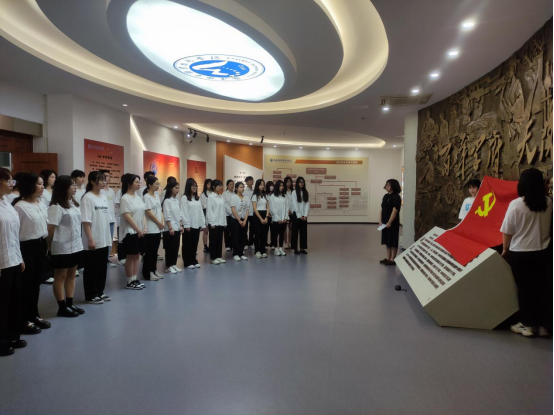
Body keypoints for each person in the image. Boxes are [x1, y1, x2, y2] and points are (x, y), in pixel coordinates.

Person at [501, 168, 552, 338]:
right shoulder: (548, 202)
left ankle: (528, 325)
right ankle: (543, 326)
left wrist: (505, 249)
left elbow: (507, 230)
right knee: (541, 288)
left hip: (520, 253)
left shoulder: (516, 204)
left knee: (524, 290)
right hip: (543, 252)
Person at [13, 173, 51, 334]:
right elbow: (15, 233)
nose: (43, 187)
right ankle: (23, 320)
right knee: (26, 285)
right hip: (26, 247)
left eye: (43, 184)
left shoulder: (41, 203)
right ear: (30, 186)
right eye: (39, 184)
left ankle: (34, 314)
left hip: (40, 245)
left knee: (36, 283)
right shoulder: (19, 206)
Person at [46, 175, 84, 318]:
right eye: (72, 185)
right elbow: (50, 230)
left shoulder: (73, 203)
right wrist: (48, 247)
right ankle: (61, 307)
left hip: (76, 245)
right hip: (62, 246)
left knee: (72, 275)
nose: (75, 187)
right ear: (63, 188)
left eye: (75, 184)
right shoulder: (56, 207)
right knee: (60, 276)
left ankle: (69, 303)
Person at [0, 168, 26, 356]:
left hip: (14, 259)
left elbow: (14, 234)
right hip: (2, 263)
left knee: (14, 300)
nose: (12, 184)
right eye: (8, 181)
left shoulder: (7, 203)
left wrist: (20, 257)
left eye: (12, 181)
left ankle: (12, 336)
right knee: (2, 303)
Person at [81, 171, 112, 305]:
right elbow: (86, 221)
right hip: (93, 238)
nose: (104, 182)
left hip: (104, 238)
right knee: (91, 268)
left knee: (102, 267)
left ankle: (100, 291)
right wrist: (90, 239)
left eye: (105, 179)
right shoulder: (87, 198)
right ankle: (90, 294)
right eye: (101, 180)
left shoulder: (104, 197)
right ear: (93, 182)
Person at [119, 174, 147, 290]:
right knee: (130, 256)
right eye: (136, 182)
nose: (139, 184)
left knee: (137, 255)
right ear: (129, 184)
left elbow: (143, 213)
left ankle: (135, 279)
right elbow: (127, 217)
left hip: (140, 231)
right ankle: (129, 281)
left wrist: (144, 227)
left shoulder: (138, 197)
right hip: (130, 232)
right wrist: (138, 230)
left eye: (139, 182)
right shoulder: (125, 198)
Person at [143, 176, 165, 281]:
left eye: (158, 184)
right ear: (149, 185)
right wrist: (159, 223)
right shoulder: (146, 197)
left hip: (158, 228)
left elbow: (160, 210)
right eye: (156, 184)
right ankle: (148, 272)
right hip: (151, 228)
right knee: (150, 252)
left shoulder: (156, 196)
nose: (158, 186)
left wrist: (162, 222)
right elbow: (149, 213)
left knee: (155, 251)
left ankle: (154, 270)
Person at [181, 179, 205, 269]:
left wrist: (203, 224)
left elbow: (201, 211)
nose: (195, 187)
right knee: (187, 244)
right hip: (189, 225)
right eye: (193, 186)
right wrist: (186, 225)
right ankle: (187, 262)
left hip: (196, 225)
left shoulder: (197, 198)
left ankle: (193, 260)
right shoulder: (184, 198)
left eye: (196, 186)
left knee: (195, 244)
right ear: (188, 187)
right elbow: (184, 212)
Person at [379, 179, 402, 265]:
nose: (386, 186)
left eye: (388, 184)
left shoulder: (396, 197)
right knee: (387, 240)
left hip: (392, 223)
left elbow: (395, 211)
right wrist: (380, 220)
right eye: (386, 184)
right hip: (385, 222)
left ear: (393, 186)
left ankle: (392, 259)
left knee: (393, 240)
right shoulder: (385, 196)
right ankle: (388, 258)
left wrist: (389, 222)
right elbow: (382, 209)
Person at [162, 180, 183, 274]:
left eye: (178, 188)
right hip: (170, 228)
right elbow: (167, 215)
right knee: (170, 248)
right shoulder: (167, 201)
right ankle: (169, 266)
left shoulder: (176, 201)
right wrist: (170, 228)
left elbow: (179, 214)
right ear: (171, 189)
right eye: (176, 188)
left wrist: (181, 225)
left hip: (177, 227)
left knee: (176, 247)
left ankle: (174, 264)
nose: (177, 190)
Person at [206, 180, 227, 265]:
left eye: (221, 186)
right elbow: (209, 210)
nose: (220, 187)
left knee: (219, 240)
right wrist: (211, 222)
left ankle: (219, 256)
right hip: (214, 222)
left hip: (220, 221)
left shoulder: (221, 197)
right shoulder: (211, 197)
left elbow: (223, 210)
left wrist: (224, 221)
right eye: (218, 186)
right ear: (214, 187)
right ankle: (212, 258)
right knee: (213, 240)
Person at [99, 170, 117, 268]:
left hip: (111, 219)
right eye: (105, 176)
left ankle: (107, 259)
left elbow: (113, 205)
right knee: (102, 240)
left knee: (109, 240)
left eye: (109, 176)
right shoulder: (100, 191)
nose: (107, 178)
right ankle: (101, 260)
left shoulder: (111, 191)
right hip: (102, 219)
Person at [230, 182, 250, 261]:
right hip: (235, 219)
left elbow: (247, 209)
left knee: (243, 236)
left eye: (243, 187)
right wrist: (239, 220)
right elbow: (233, 209)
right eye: (241, 187)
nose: (242, 188)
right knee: (235, 236)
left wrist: (245, 220)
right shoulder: (233, 197)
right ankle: (235, 253)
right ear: (236, 188)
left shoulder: (246, 198)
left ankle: (241, 253)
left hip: (244, 219)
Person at [269, 180, 288, 256]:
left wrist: (285, 217)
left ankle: (280, 248)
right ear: (277, 187)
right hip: (276, 219)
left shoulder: (285, 196)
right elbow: (272, 208)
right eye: (280, 186)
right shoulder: (273, 196)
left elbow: (287, 207)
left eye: (282, 186)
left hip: (283, 219)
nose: (282, 187)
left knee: (282, 234)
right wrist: (278, 218)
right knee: (275, 234)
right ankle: (275, 249)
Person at [251, 179, 269, 259]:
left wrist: (266, 217)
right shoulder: (255, 196)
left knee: (264, 234)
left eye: (263, 185)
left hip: (265, 214)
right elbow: (255, 208)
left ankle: (263, 250)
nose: (262, 186)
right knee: (257, 234)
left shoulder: (265, 195)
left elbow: (268, 207)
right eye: (261, 185)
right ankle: (257, 251)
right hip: (257, 215)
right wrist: (261, 219)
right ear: (257, 185)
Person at [291, 176, 310, 255]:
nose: (302, 183)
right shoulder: (294, 192)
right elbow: (295, 205)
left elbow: (307, 204)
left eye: (303, 182)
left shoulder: (306, 192)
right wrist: (299, 215)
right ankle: (295, 248)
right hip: (296, 215)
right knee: (295, 232)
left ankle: (302, 248)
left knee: (303, 232)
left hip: (303, 215)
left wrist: (305, 215)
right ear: (297, 183)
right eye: (300, 182)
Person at [115, 173, 128, 266]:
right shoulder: (120, 192)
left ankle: (127, 256)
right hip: (121, 219)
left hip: (130, 220)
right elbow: (119, 205)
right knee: (121, 239)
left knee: (128, 239)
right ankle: (121, 257)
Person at [199, 179, 212, 253]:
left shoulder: (213, 193)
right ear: (205, 185)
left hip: (213, 214)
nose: (209, 185)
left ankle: (212, 245)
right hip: (205, 213)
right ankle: (205, 246)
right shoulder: (203, 194)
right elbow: (203, 205)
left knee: (212, 231)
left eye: (210, 184)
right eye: (208, 184)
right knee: (206, 231)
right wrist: (210, 206)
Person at [223, 180, 235, 253]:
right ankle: (227, 245)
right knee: (227, 230)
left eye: (233, 184)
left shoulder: (235, 193)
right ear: (227, 185)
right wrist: (231, 212)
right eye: (230, 184)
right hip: (227, 214)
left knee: (233, 230)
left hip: (235, 215)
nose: (232, 186)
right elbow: (225, 205)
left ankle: (233, 244)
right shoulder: (224, 194)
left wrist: (234, 213)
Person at [244, 176, 255, 250]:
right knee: (245, 229)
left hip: (253, 212)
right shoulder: (244, 191)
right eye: (250, 180)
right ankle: (245, 243)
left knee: (252, 229)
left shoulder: (254, 191)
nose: (252, 181)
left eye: (252, 180)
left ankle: (251, 243)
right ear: (247, 182)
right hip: (246, 212)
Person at [284, 177, 294, 249]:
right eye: (287, 181)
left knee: (291, 227)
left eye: (290, 181)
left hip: (292, 212)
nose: (289, 183)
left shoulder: (293, 191)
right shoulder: (283, 192)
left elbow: (295, 202)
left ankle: (290, 242)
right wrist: (287, 210)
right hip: (285, 211)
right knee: (284, 228)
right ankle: (285, 242)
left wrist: (292, 210)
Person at [265, 181, 275, 250]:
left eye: (272, 185)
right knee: (265, 230)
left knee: (273, 230)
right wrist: (267, 213)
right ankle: (265, 243)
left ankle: (273, 244)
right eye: (270, 186)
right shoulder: (265, 194)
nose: (271, 187)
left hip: (273, 215)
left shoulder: (275, 194)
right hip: (266, 214)